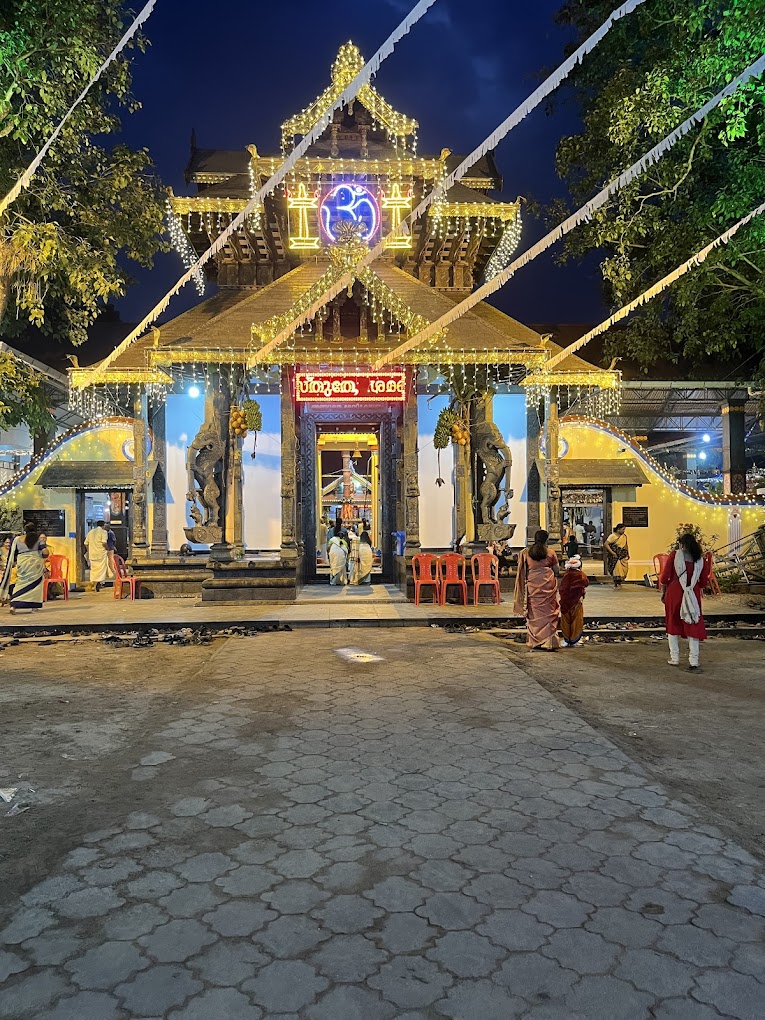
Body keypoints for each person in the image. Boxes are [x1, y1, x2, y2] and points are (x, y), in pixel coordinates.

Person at [660, 532, 711, 672]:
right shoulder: (700, 559)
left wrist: (664, 590)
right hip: (692, 593)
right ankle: (694, 660)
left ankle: (674, 658)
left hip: (675, 592)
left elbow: (664, 577)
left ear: (681, 544)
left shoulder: (674, 555)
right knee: (693, 623)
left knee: (673, 622)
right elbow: (703, 582)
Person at [513, 529, 561, 650]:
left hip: (533, 586)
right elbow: (557, 570)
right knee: (549, 613)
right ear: (547, 540)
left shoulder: (527, 553)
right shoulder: (550, 553)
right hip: (547, 586)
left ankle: (535, 640)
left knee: (535, 613)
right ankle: (549, 642)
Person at [0, 521, 49, 613]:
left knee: (20, 583)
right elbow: (45, 552)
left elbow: (13, 553)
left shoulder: (17, 539)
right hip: (35, 565)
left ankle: (13, 606)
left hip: (22, 563)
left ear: (25, 530)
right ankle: (34, 607)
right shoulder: (39, 540)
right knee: (36, 585)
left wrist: (13, 562)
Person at [559, 554, 590, 647]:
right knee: (576, 620)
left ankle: (566, 639)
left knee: (566, 620)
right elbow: (586, 583)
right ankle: (574, 640)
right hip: (576, 601)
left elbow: (562, 589)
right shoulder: (581, 575)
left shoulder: (566, 575)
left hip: (565, 601)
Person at [85, 520, 111, 592]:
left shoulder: (90, 532)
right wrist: (107, 549)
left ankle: (93, 582)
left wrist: (89, 550)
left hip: (92, 554)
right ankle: (98, 583)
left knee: (93, 569)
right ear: (103, 525)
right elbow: (104, 543)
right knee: (101, 569)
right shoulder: (104, 532)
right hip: (101, 554)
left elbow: (86, 543)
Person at [605, 523, 629, 588]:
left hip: (623, 555)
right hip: (616, 556)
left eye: (624, 529)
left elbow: (625, 545)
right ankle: (616, 583)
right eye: (623, 529)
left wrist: (628, 553)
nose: (624, 531)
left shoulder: (624, 536)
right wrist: (612, 553)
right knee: (617, 570)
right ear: (618, 529)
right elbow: (606, 544)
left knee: (624, 570)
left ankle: (620, 582)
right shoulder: (612, 536)